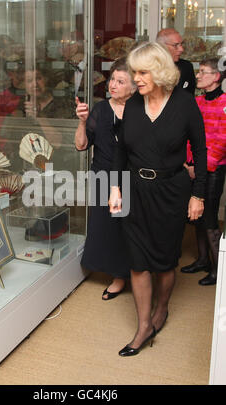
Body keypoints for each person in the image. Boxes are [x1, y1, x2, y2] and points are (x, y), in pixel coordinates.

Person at [109, 42, 207, 356]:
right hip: (136, 191)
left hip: (171, 192)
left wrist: (198, 194)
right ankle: (143, 327)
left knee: (165, 263)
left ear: (160, 71)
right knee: (138, 263)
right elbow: (121, 150)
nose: (136, 78)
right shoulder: (134, 105)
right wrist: (115, 188)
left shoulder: (185, 104)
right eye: (134, 71)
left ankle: (161, 309)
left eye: (142, 72)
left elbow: (201, 154)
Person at [75, 57, 135, 300]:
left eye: (121, 81)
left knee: (127, 227)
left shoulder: (141, 109)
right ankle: (118, 275)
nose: (113, 85)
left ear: (134, 86)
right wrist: (81, 122)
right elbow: (81, 145)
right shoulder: (99, 109)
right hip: (102, 174)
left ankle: (129, 274)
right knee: (107, 226)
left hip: (130, 177)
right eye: (112, 79)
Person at [181, 58, 226, 286]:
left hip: (213, 171)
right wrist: (188, 164)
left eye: (203, 72)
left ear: (216, 77)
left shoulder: (225, 103)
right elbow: (189, 136)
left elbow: (221, 142)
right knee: (195, 218)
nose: (197, 76)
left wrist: (197, 169)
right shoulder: (196, 101)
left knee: (209, 220)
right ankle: (202, 261)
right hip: (194, 168)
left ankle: (219, 270)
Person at [156, 28, 196, 95]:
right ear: (161, 46)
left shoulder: (186, 67)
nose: (181, 49)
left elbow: (190, 97)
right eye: (175, 45)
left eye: (181, 44)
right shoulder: (149, 68)